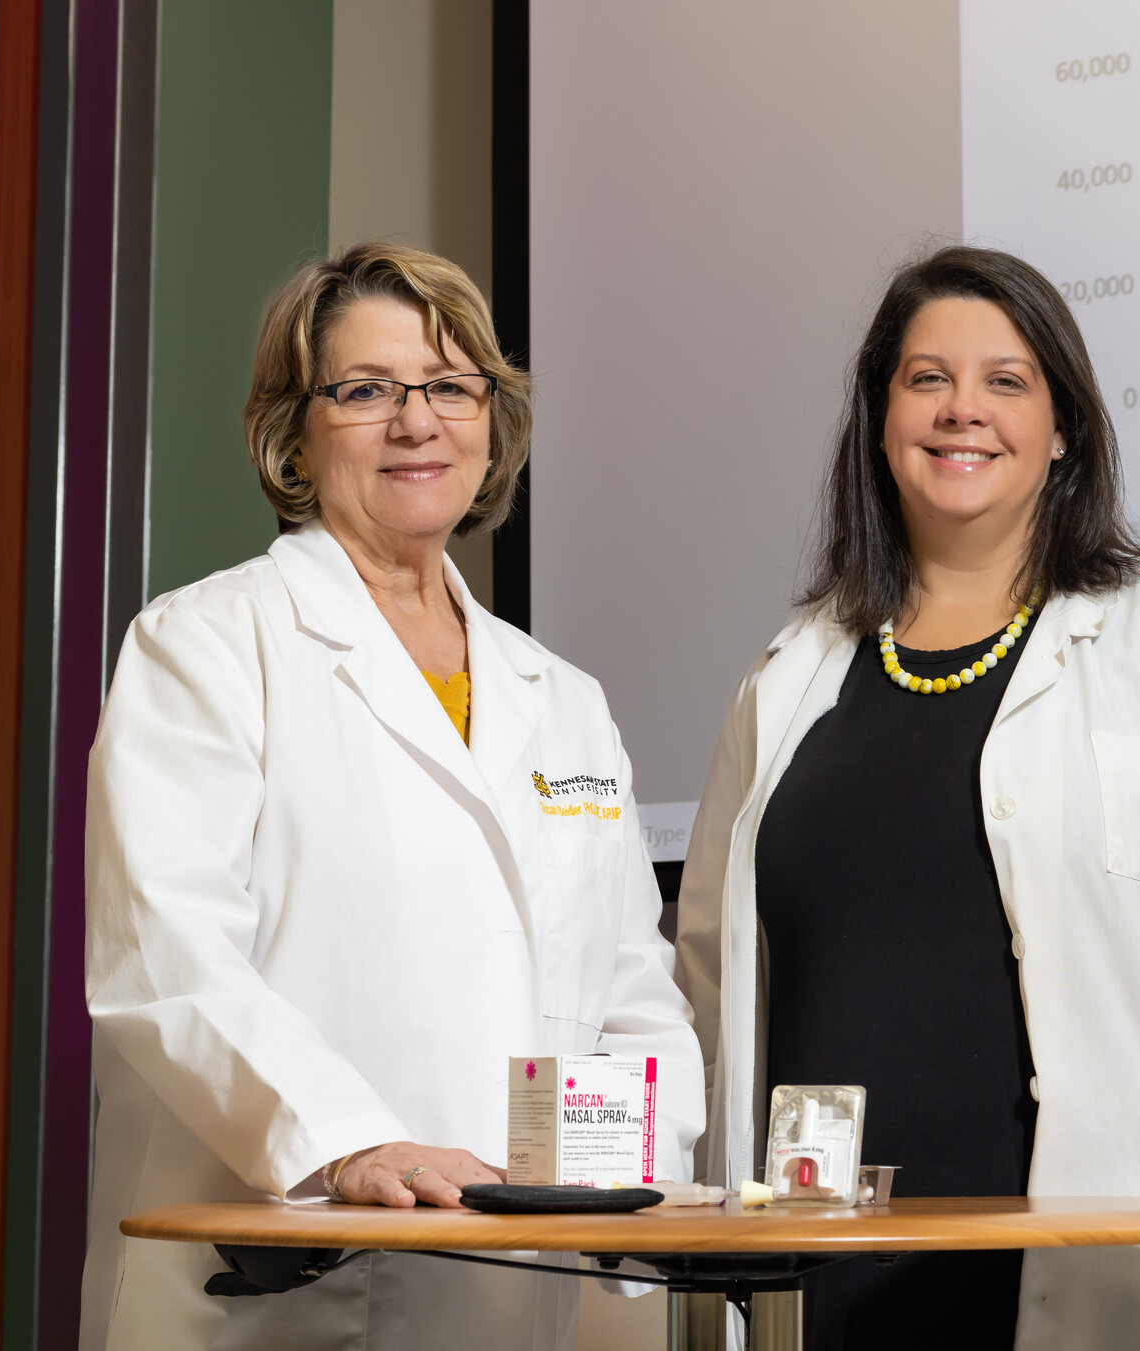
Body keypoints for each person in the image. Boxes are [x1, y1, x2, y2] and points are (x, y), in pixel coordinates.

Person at [674, 246, 1140, 1350]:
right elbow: (710, 977)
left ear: (1063, 430)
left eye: (1006, 380)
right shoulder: (788, 672)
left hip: (1098, 1278)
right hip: (821, 1286)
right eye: (926, 379)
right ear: (880, 423)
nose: (963, 409)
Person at [81, 242, 702, 1351]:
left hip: (518, 1280)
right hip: (288, 1284)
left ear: (491, 420)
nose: (417, 422)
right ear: (295, 432)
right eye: (366, 391)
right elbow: (168, 962)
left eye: (450, 386)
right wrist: (349, 1141)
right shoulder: (207, 645)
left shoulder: (559, 698)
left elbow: (629, 993)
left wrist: (628, 1179)